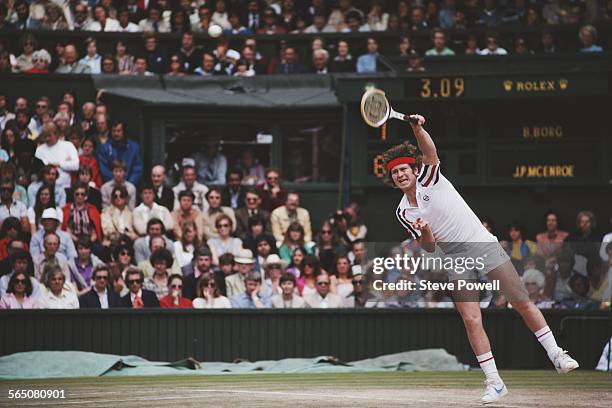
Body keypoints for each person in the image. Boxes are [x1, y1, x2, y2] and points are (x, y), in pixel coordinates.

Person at [383, 113, 578, 403]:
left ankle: (556, 354)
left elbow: (430, 153)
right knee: (472, 320)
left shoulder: (430, 177)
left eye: (403, 170)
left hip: (483, 245)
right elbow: (427, 247)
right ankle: (495, 382)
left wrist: (416, 127)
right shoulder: (403, 212)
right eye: (394, 173)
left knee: (521, 301)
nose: (400, 175)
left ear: (414, 170)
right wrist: (425, 232)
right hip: (455, 257)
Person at [34, 123, 79, 191]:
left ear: (56, 134)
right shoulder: (40, 150)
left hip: (65, 186)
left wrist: (59, 164)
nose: (47, 138)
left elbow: (75, 165)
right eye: (45, 136)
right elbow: (42, 168)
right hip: (46, 188)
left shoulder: (68, 145)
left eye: (49, 136)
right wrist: (65, 163)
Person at [97, 120, 142, 185]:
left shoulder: (134, 147)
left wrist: (128, 185)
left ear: (123, 131)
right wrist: (116, 184)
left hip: (130, 186)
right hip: (111, 186)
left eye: (118, 131)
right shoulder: (104, 148)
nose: (116, 133)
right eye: (113, 131)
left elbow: (137, 169)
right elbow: (104, 170)